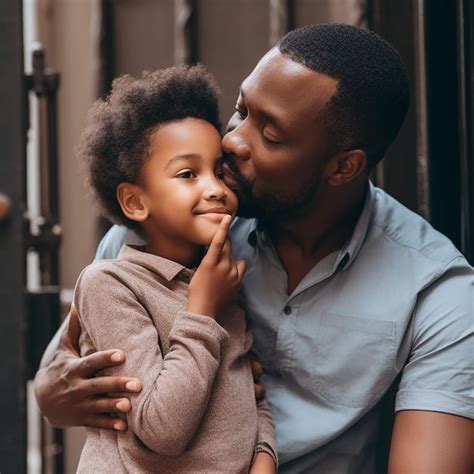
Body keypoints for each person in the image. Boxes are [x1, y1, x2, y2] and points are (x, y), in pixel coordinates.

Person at [35, 24, 473, 473]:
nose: (233, 141)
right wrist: (53, 395)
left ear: (344, 166)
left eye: (271, 135)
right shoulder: (165, 231)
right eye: (242, 110)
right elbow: (62, 375)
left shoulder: (438, 292)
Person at [70, 65, 277, 473]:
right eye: (187, 174)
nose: (216, 187)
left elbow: (248, 389)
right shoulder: (111, 284)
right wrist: (201, 312)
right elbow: (160, 428)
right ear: (134, 202)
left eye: (219, 171)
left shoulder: (217, 278)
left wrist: (265, 456)